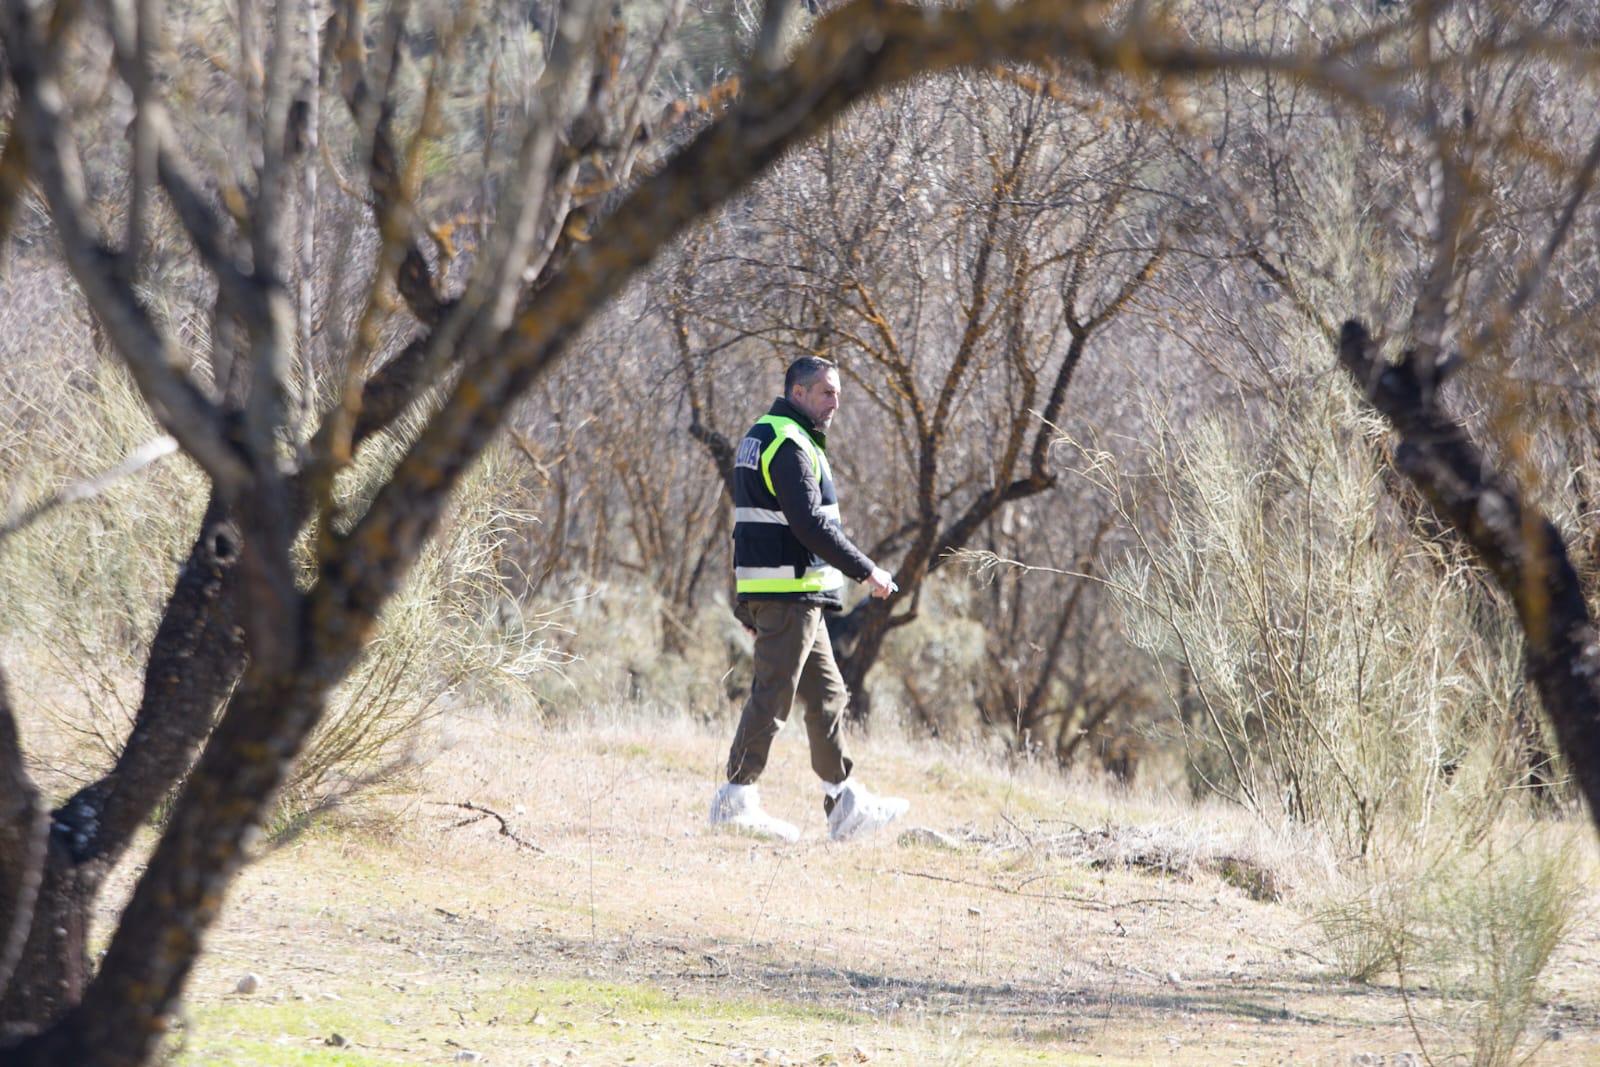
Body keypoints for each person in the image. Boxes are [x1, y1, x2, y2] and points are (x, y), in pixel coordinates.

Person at [709, 356, 910, 841]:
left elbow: (752, 525)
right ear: (798, 393)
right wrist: (866, 571)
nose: (835, 401)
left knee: (827, 697)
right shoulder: (788, 442)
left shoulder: (767, 435)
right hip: (789, 594)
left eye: (837, 392)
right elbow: (810, 525)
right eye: (826, 392)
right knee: (774, 692)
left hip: (793, 595)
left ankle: (845, 805)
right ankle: (735, 800)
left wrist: (745, 600)